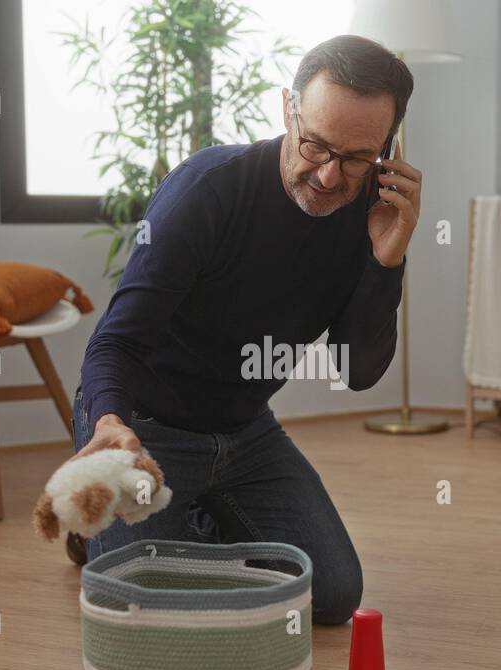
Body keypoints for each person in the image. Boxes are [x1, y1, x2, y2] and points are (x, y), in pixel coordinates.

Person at [71, 34, 422, 625]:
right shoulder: (208, 189)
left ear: (387, 148)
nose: (330, 176)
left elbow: (358, 373)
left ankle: (192, 523)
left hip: (245, 432)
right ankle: (112, 533)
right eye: (314, 144)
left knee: (335, 595)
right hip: (141, 426)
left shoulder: (371, 216)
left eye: (358, 157)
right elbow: (117, 340)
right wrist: (108, 422)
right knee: (149, 605)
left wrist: (387, 260)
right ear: (288, 110)